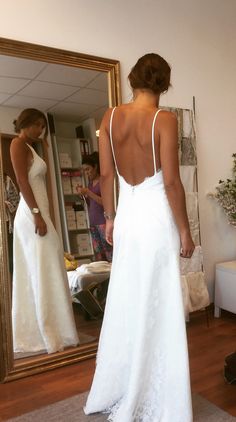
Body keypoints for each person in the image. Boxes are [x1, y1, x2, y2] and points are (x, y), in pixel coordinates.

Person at [84, 53, 195, 421]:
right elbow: (172, 183)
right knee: (158, 299)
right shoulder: (164, 118)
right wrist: (185, 231)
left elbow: (105, 174)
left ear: (132, 79)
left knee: (129, 297)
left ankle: (125, 381)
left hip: (129, 217)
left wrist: (112, 218)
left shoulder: (109, 116)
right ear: (164, 83)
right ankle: (155, 389)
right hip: (155, 217)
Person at [10, 108, 79, 354]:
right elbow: (22, 181)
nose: (40, 130)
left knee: (48, 266)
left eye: (43, 126)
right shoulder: (18, 144)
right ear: (26, 123)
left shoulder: (31, 147)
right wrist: (38, 215)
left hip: (40, 213)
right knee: (42, 267)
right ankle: (46, 330)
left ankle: (53, 328)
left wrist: (43, 144)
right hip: (31, 215)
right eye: (37, 125)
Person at [76, 152, 112, 262]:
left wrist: (88, 192)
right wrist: (84, 195)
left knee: (110, 253)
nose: (86, 173)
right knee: (99, 257)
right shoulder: (90, 184)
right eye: (84, 170)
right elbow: (91, 204)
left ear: (95, 167)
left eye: (87, 169)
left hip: (104, 223)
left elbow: (106, 202)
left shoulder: (103, 181)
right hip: (93, 223)